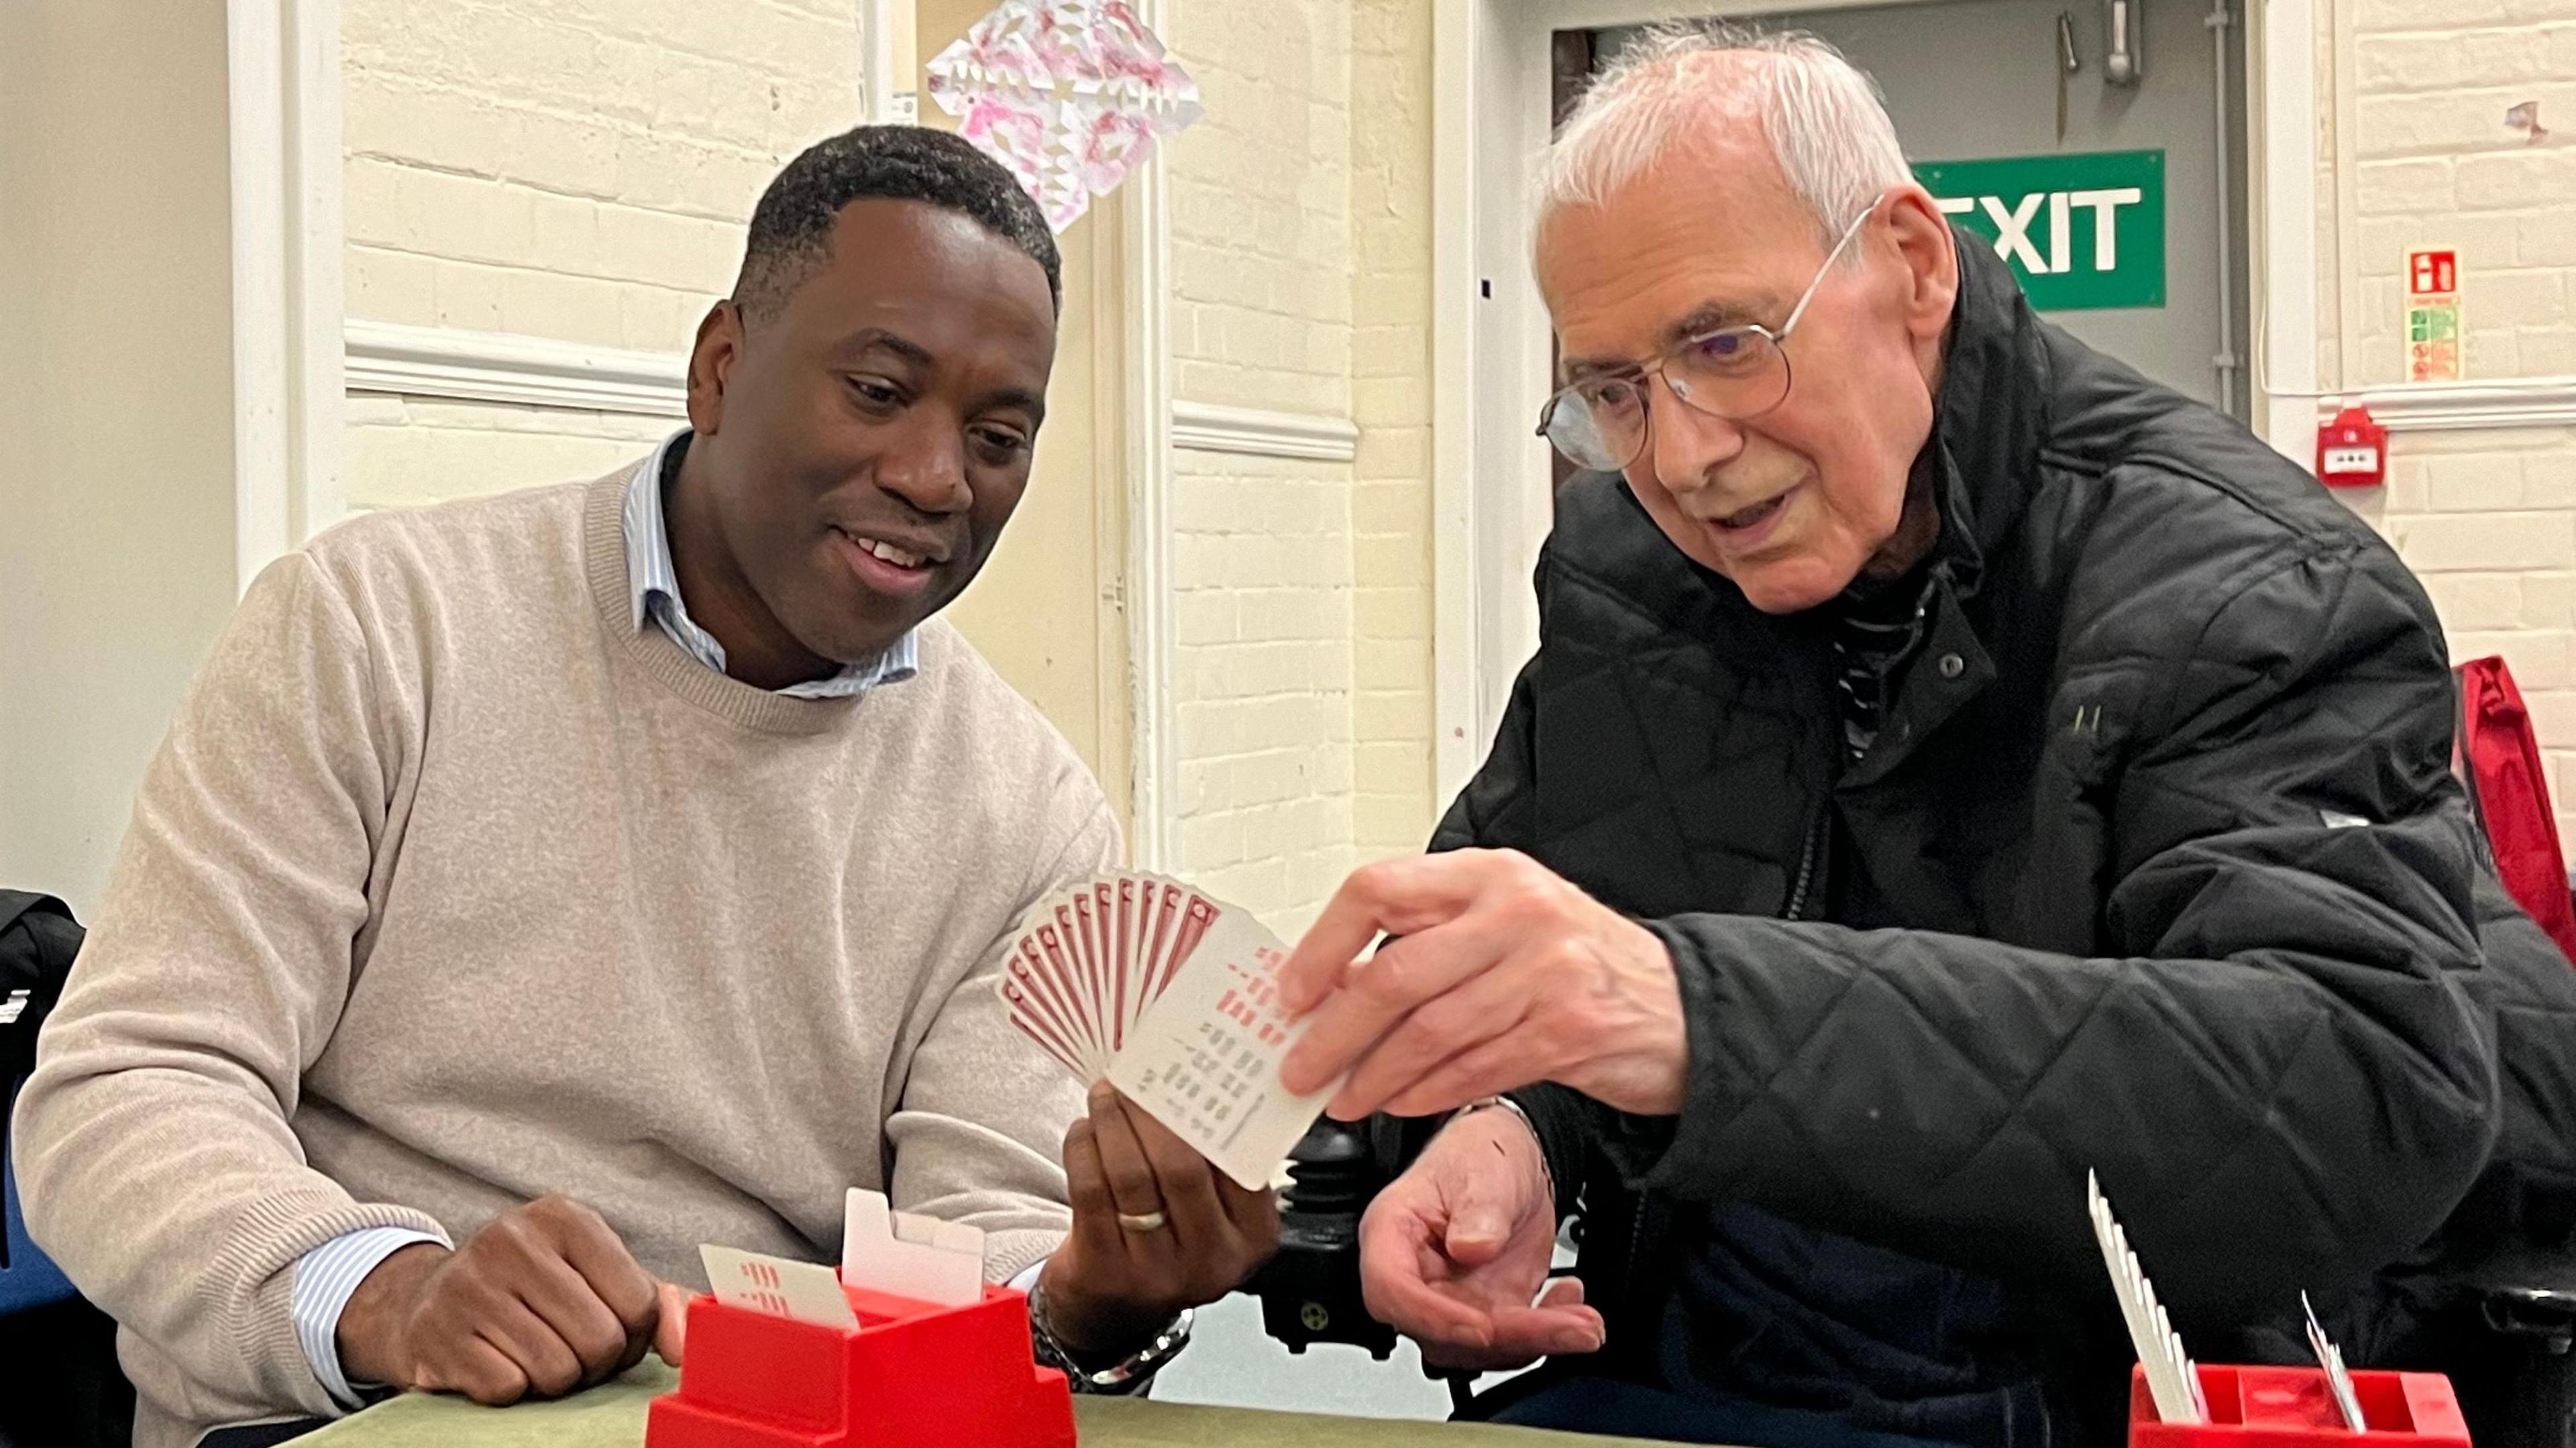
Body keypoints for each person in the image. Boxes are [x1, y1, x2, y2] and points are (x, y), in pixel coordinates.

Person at [1273, 27, 2569, 1447]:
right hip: (1670, 1374)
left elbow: (2362, 1084)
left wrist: (1693, 1016)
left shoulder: (2248, 582)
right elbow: (1534, 951)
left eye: (1724, 345)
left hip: (2109, 1397)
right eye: (1617, 393)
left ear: (1912, 264)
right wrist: (1515, 1128)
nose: (1683, 457)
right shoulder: (1625, 576)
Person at [13, 126, 1274, 1448]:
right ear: (721, 368)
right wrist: (388, 1293)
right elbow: (127, 1089)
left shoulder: (1029, 813)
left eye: (999, 434)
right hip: (343, 1416)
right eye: (880, 392)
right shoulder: (378, 627)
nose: (935, 477)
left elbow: (979, 1261)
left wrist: (1082, 1306)